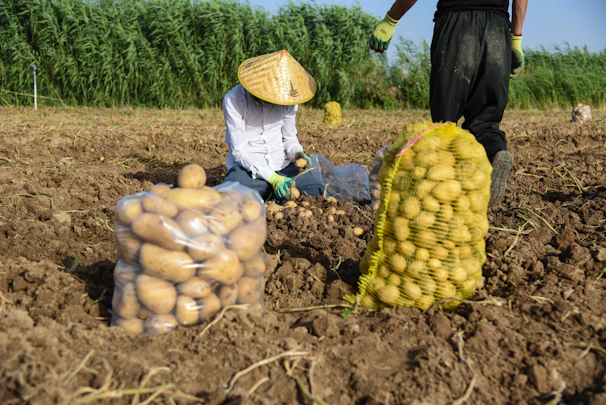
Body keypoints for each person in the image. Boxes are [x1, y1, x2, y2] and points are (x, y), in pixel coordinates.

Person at [369, 0, 528, 205]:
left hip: (456, 25)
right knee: (487, 123)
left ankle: (444, 195)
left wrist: (391, 19)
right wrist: (516, 37)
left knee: (445, 122)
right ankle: (495, 155)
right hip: (497, 29)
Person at [222, 50, 325, 201]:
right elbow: (240, 151)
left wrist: (296, 152)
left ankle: (270, 194)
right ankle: (271, 192)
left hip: (282, 167)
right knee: (231, 194)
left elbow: (289, 137)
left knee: (320, 192)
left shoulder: (288, 99)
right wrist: (272, 178)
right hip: (248, 170)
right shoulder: (234, 100)